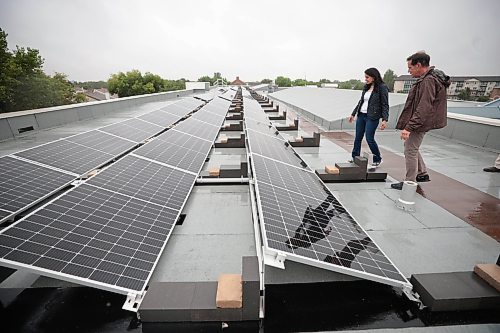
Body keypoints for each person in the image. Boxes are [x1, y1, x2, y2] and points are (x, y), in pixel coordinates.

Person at [391, 52, 450, 190]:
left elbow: (424, 106)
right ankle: (422, 173)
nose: (408, 71)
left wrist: (409, 127)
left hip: (421, 122)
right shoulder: (430, 78)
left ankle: (409, 182)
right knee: (412, 147)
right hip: (423, 121)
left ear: (418, 65)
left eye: (410, 67)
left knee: (410, 150)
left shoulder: (428, 81)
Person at [348, 68, 389, 169]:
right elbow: (361, 101)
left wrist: (385, 119)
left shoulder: (382, 87)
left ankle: (377, 158)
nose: (365, 79)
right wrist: (353, 114)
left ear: (374, 77)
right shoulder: (366, 87)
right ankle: (355, 157)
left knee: (369, 138)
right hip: (361, 115)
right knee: (358, 138)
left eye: (367, 77)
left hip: (372, 116)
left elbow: (385, 104)